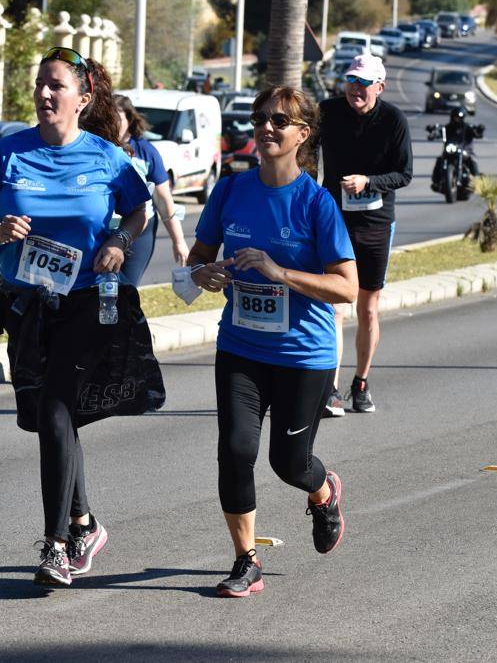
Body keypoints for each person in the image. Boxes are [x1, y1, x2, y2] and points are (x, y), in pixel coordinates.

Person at [0, 47, 161, 588]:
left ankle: (54, 546)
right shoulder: (7, 155)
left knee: (55, 408)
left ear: (83, 98)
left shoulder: (105, 157)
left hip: (85, 300)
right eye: (40, 84)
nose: (46, 94)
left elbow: (140, 210)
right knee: (48, 419)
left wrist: (119, 241)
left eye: (57, 86)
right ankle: (85, 523)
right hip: (27, 304)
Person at [187, 86, 358, 597]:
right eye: (261, 118)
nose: (266, 127)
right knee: (236, 451)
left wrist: (278, 270)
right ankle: (246, 561)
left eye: (279, 121)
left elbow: (346, 286)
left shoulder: (316, 203)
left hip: (304, 354)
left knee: (289, 464)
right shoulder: (230, 191)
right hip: (241, 346)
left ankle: (323, 492)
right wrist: (207, 274)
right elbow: (197, 260)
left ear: (302, 134)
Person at [318, 53, 412, 417]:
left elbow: (404, 174)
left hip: (375, 223)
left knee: (368, 308)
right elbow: (305, 146)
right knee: (334, 306)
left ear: (380, 86)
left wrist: (368, 182)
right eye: (351, 81)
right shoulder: (328, 111)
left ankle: (361, 382)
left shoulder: (393, 120)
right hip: (335, 219)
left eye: (364, 82)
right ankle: (330, 388)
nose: (356, 89)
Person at [113, 94, 189, 285]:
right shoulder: (99, 146)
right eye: (109, 117)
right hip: (105, 228)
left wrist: (178, 241)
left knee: (126, 289)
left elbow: (164, 201)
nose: (113, 123)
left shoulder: (147, 152)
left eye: (118, 118)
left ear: (129, 120)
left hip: (140, 231)